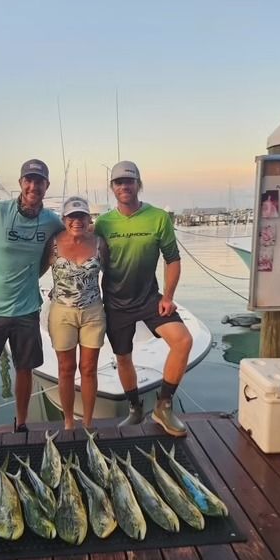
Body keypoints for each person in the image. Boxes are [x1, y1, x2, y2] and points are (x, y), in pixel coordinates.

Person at [0, 159, 63, 437]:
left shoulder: (52, 221)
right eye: (28, 180)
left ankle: (21, 422)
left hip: (26, 309)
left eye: (39, 181)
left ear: (46, 186)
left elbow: (67, 243)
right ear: (20, 183)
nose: (33, 186)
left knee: (25, 369)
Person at [95, 161, 193, 436]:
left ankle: (163, 406)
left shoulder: (159, 217)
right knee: (123, 357)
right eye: (118, 182)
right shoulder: (103, 223)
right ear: (112, 188)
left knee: (183, 341)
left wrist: (169, 297)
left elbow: (172, 259)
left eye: (129, 181)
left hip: (150, 297)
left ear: (139, 184)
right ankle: (135, 409)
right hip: (115, 303)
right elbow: (89, 258)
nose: (124, 186)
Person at [45, 196, 107, 429]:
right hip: (62, 314)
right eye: (72, 216)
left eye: (81, 216)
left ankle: (88, 423)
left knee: (89, 369)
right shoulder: (53, 242)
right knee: (66, 368)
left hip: (93, 313)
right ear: (64, 219)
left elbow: (110, 275)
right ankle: (69, 422)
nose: (76, 221)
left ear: (88, 218)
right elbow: (37, 269)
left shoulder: (100, 243)